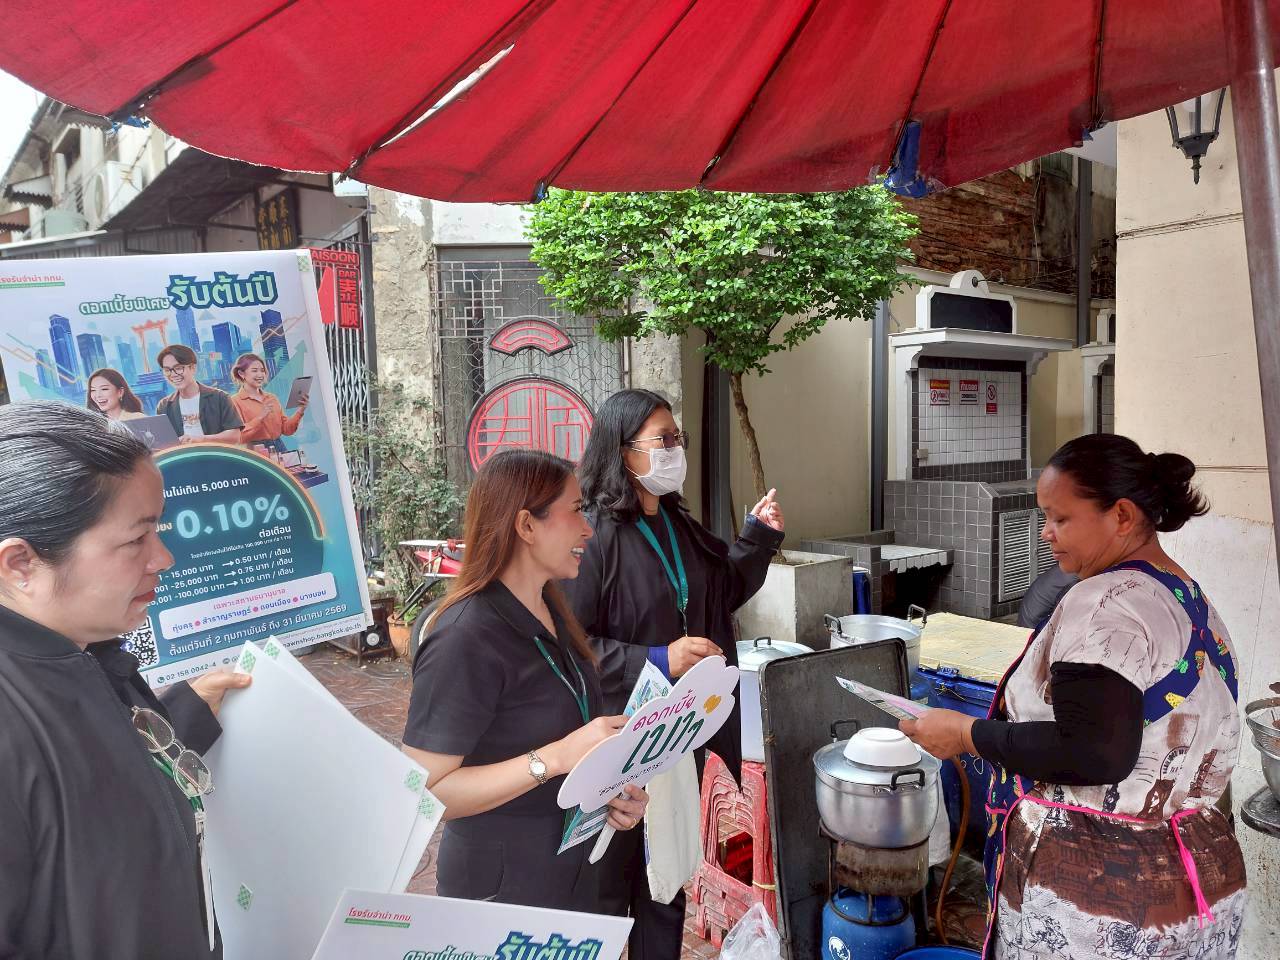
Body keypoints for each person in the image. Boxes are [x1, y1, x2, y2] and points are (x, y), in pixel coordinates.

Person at [902, 434, 1246, 959]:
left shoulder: (1103, 605)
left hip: (1102, 902)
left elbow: (1094, 751)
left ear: (1122, 515)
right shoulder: (1182, 593)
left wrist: (965, 734)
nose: (1046, 534)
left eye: (1060, 518)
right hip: (1197, 882)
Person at [0, 401, 251, 959]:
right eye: (136, 539)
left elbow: (92, 781)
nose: (163, 558)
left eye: (157, 528)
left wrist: (183, 713)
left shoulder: (85, 650)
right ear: (20, 564)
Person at [563, 389, 784, 960]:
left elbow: (718, 592)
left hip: (675, 737)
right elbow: (572, 646)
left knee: (665, 882)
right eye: (662, 440)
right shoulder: (592, 535)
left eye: (676, 438)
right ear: (623, 450)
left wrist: (758, 537)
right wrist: (658, 659)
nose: (674, 450)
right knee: (607, 890)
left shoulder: (676, 522)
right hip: (616, 743)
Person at [401, 449, 648, 911]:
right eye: (576, 510)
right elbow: (424, 793)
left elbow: (568, 735)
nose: (588, 529)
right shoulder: (463, 637)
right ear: (526, 526)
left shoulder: (551, 607)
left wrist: (608, 790)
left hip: (573, 869)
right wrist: (553, 759)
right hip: (504, 889)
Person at [155, 345, 243, 444]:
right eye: (167, 370)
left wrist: (201, 440)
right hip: (183, 454)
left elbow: (235, 436)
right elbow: (162, 442)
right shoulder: (164, 405)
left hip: (215, 453)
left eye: (178, 368)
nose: (173, 374)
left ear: (193, 368)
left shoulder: (220, 397)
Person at [229, 353, 307, 452]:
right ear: (241, 374)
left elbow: (287, 430)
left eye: (262, 370)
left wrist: (300, 411)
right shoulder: (235, 401)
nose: (260, 375)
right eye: (254, 370)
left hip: (280, 448)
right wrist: (261, 417)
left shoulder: (272, 398)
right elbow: (239, 437)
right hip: (257, 452)